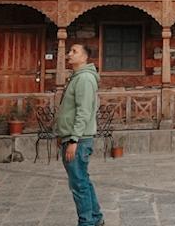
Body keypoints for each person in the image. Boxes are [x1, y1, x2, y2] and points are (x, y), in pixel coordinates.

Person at [55, 44, 103, 226]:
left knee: (79, 185)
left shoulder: (84, 79)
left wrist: (74, 139)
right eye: (70, 51)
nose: (69, 54)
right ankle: (95, 218)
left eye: (74, 52)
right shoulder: (77, 78)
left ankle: (87, 222)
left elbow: (83, 111)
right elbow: (70, 110)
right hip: (74, 137)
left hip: (79, 139)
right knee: (83, 180)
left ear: (84, 57)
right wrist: (63, 134)